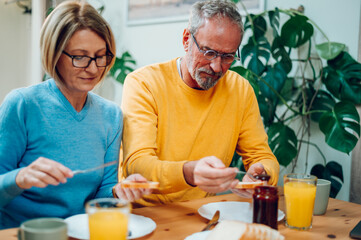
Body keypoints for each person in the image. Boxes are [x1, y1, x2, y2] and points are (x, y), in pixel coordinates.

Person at [0, 1, 150, 229]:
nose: (92, 69)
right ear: (54, 54)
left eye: (100, 56)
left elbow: (104, 192)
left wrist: (121, 191)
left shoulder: (111, 115)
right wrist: (20, 178)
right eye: (80, 57)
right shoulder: (22, 105)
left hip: (81, 233)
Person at [121, 0, 280, 207]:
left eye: (228, 56)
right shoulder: (144, 83)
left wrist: (262, 173)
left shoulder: (240, 90)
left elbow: (262, 155)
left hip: (201, 212)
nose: (216, 67)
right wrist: (189, 172)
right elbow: (138, 166)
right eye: (209, 52)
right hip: (143, 213)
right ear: (187, 39)